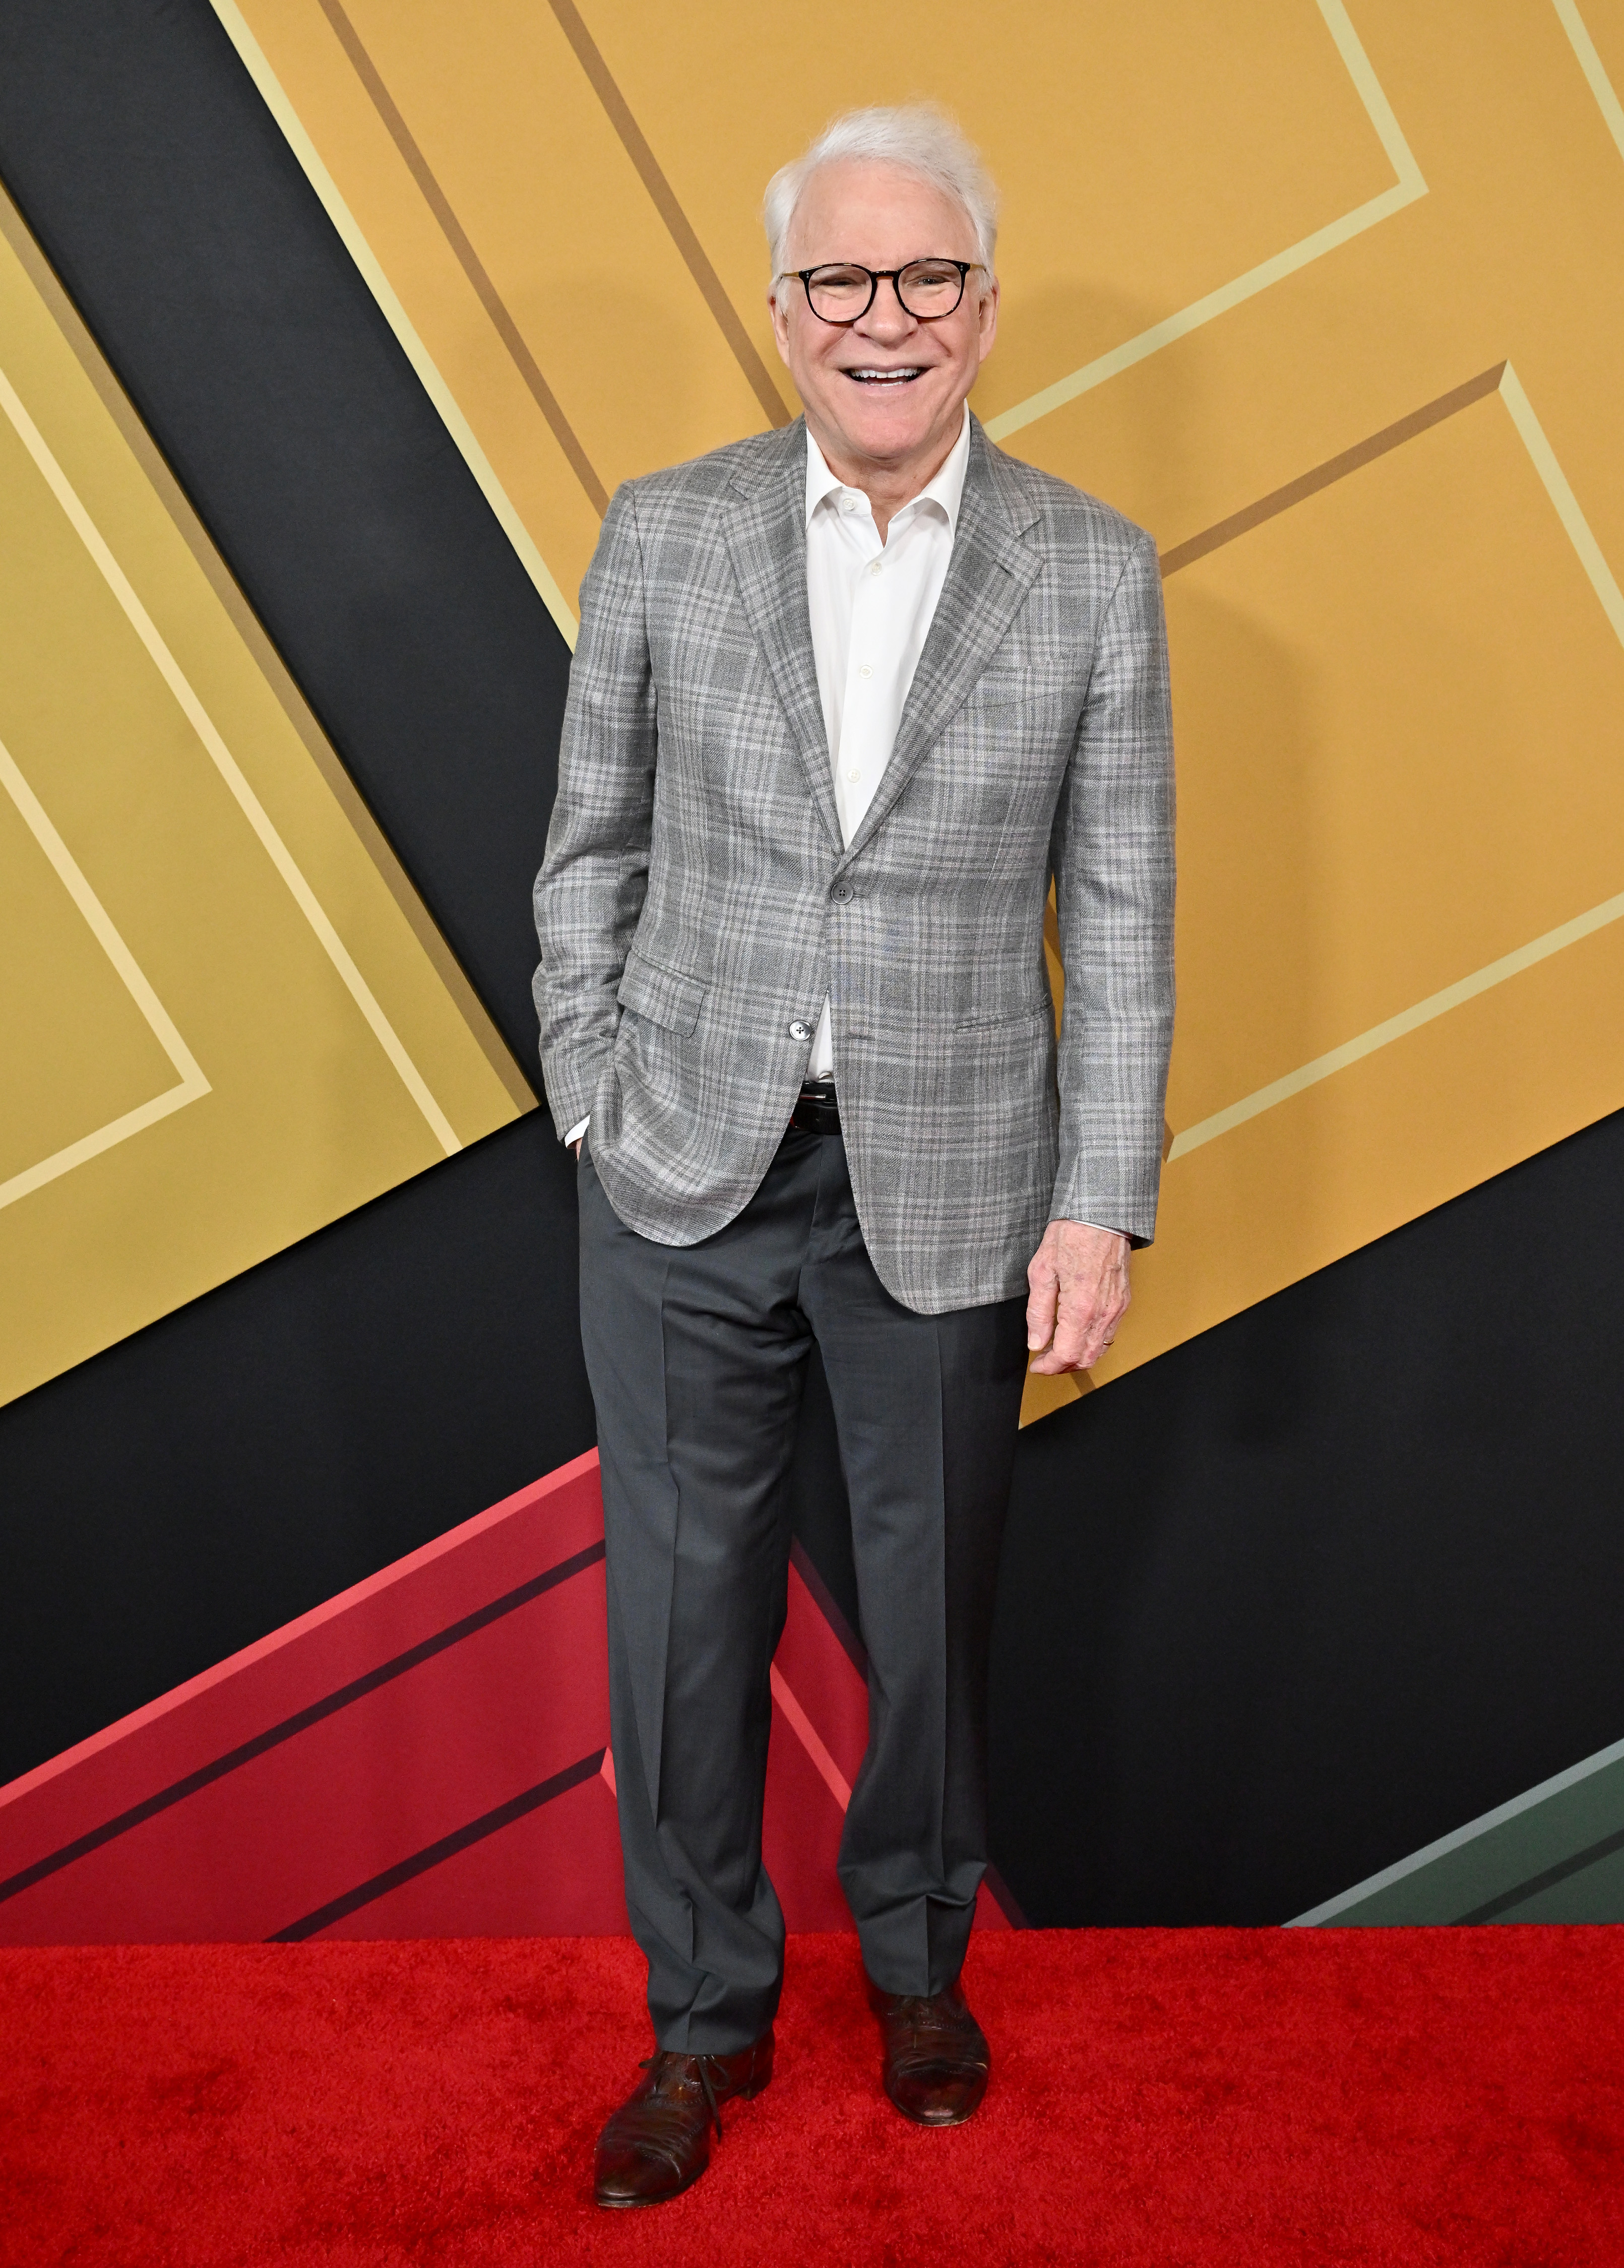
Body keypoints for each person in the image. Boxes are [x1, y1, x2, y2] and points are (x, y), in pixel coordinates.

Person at [533, 102, 1174, 2209]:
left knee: (927, 1612)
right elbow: (589, 852)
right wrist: (592, 1096)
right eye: (838, 281)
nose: (878, 321)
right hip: (681, 1172)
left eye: (922, 281)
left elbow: (1122, 908)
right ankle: (700, 2023)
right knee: (682, 1625)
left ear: (979, 311)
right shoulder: (661, 531)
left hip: (953, 1176)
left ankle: (912, 1965)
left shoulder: (1087, 571)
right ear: (781, 308)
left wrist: (1097, 1192)